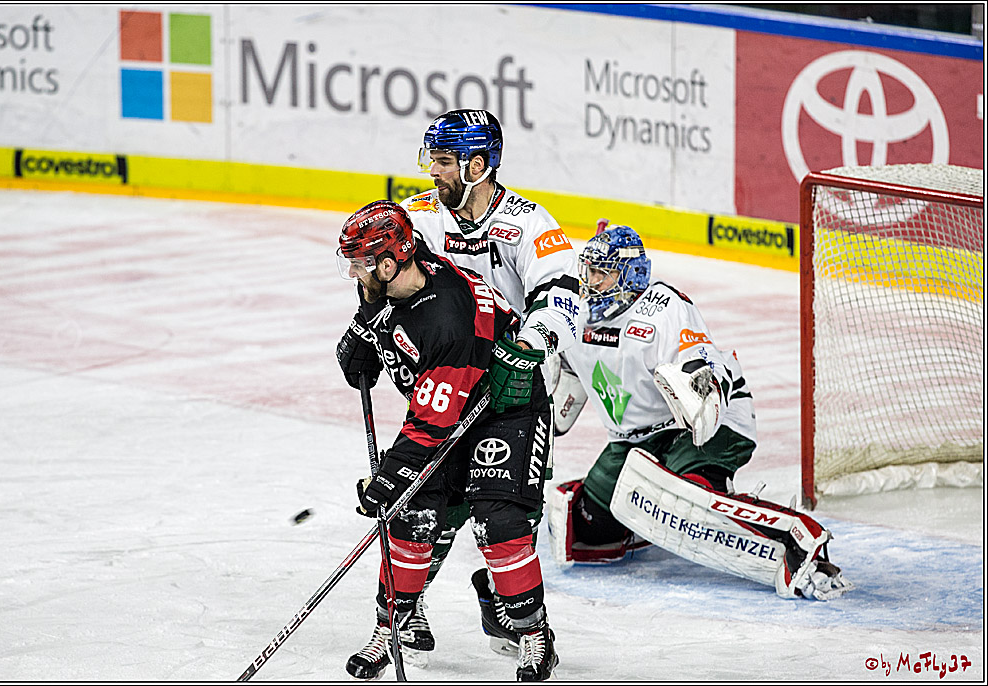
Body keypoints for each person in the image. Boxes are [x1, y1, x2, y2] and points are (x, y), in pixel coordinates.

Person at [542, 221, 853, 600]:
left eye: (602, 273)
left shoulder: (663, 307)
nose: (591, 283)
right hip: (636, 439)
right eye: (588, 271)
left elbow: (699, 365)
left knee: (688, 497)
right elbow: (569, 380)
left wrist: (698, 394)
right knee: (587, 529)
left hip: (707, 420)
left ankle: (799, 538)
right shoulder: (575, 312)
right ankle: (647, 519)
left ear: (630, 275)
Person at [334, 199, 559, 681]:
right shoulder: (404, 276)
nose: (355, 273)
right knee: (411, 518)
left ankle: (533, 632)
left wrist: (389, 477)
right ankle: (388, 629)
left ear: (391, 263)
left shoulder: (447, 320)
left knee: (499, 522)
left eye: (361, 263)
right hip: (454, 404)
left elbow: (431, 425)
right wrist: (364, 338)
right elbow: (380, 315)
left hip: (505, 412)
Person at [395, 109, 580, 656]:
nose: (434, 173)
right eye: (433, 160)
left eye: (446, 162)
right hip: (445, 387)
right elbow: (383, 268)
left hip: (511, 393)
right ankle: (407, 610)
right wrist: (368, 323)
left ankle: (511, 611)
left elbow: (564, 295)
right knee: (427, 510)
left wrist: (524, 350)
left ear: (479, 165)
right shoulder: (420, 217)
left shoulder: (528, 224)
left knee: (503, 515)